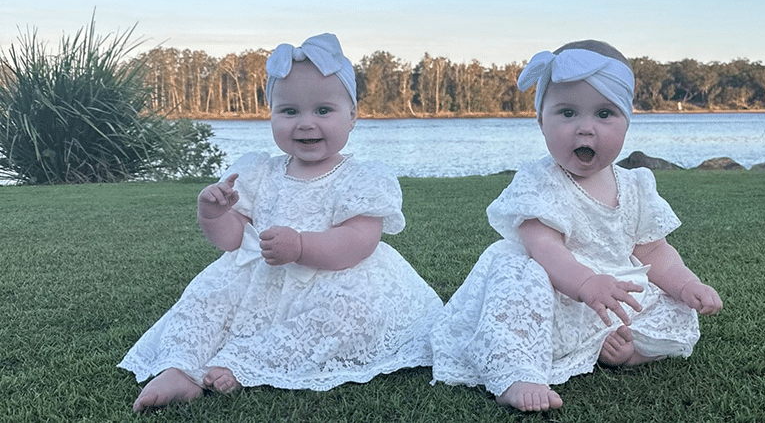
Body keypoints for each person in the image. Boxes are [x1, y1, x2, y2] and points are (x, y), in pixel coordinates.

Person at [119, 33, 443, 412]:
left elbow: (359, 241)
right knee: (205, 300)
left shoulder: (363, 178)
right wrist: (215, 213)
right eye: (289, 112)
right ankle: (180, 366)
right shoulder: (258, 171)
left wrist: (302, 246)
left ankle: (245, 362)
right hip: (259, 276)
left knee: (349, 315)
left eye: (323, 110)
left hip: (335, 276)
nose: (305, 124)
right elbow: (233, 240)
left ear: (352, 115)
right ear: (270, 113)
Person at [429, 40, 723, 412]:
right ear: (541, 122)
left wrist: (686, 284)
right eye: (567, 113)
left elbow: (654, 251)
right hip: (555, 294)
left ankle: (626, 348)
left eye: (604, 114)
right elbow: (544, 249)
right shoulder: (539, 181)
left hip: (611, 294)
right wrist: (585, 283)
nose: (585, 129)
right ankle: (517, 370)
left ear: (627, 122)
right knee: (518, 274)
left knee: (677, 309)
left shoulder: (636, 185)